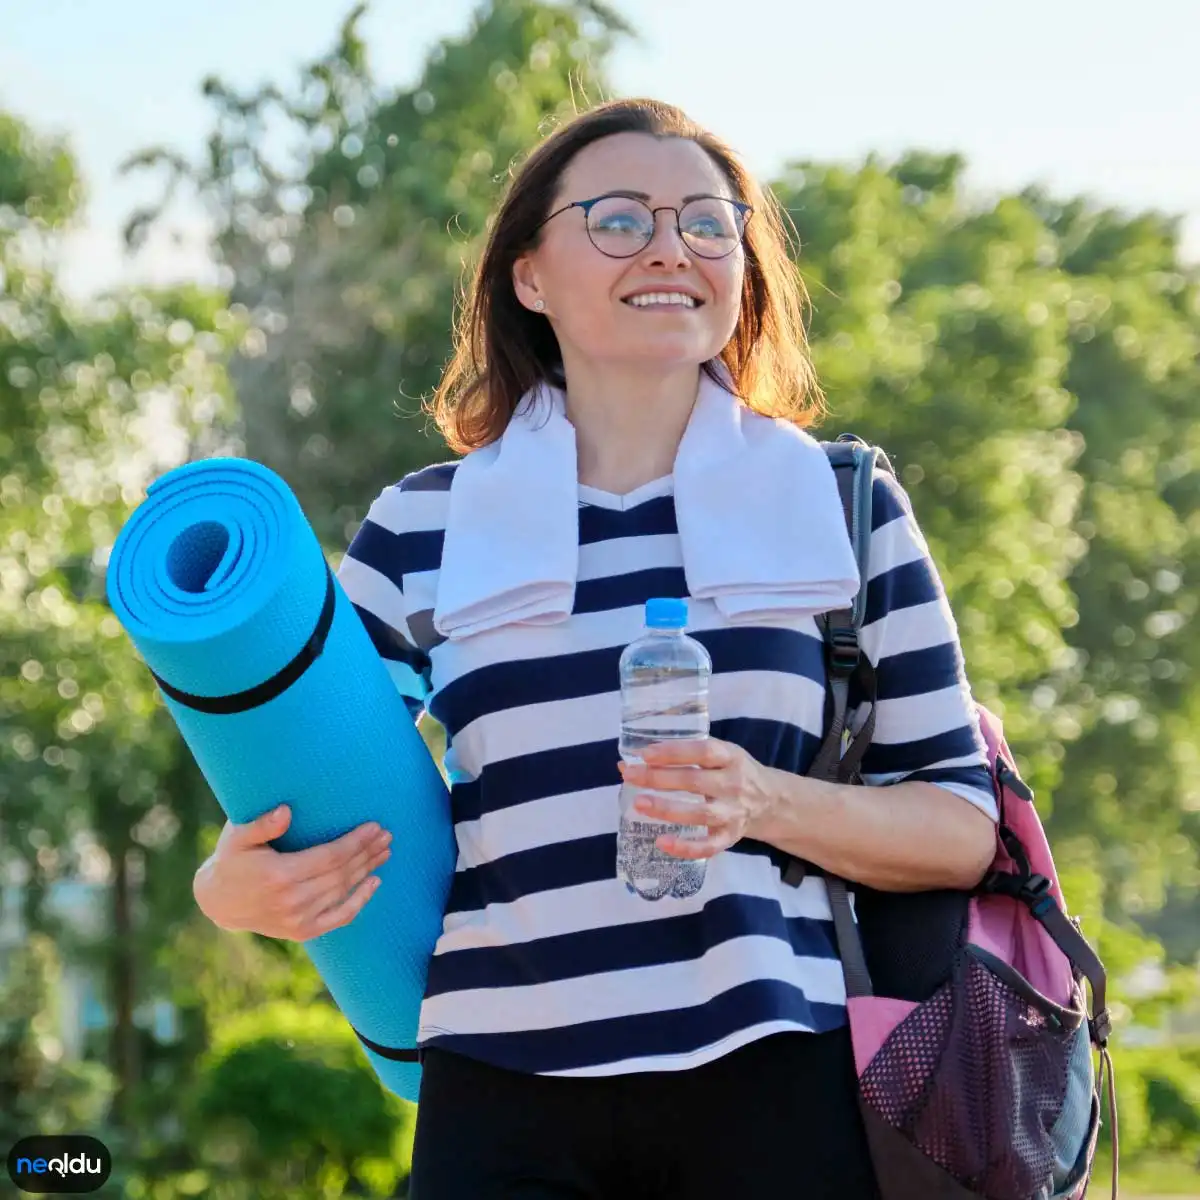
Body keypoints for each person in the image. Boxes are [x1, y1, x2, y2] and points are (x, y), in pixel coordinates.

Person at [192, 98, 1001, 1199]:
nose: (672, 247)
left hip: (774, 1077)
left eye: (709, 224)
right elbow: (308, 783)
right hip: (497, 1090)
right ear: (529, 275)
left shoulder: (843, 503)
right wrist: (232, 890)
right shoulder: (421, 528)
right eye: (621, 220)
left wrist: (760, 802)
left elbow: (959, 827)